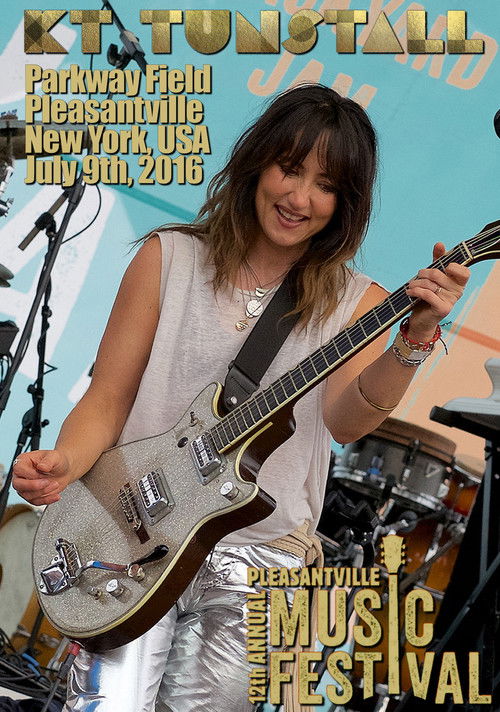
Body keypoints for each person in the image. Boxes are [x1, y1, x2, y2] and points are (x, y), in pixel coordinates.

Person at [12, 84, 469, 711]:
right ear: (258, 162)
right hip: (133, 537)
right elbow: (109, 398)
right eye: (290, 168)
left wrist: (414, 340)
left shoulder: (357, 301)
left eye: (326, 185)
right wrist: (65, 461)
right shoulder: (167, 257)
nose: (299, 198)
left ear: (345, 204)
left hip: (262, 559)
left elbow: (345, 422)